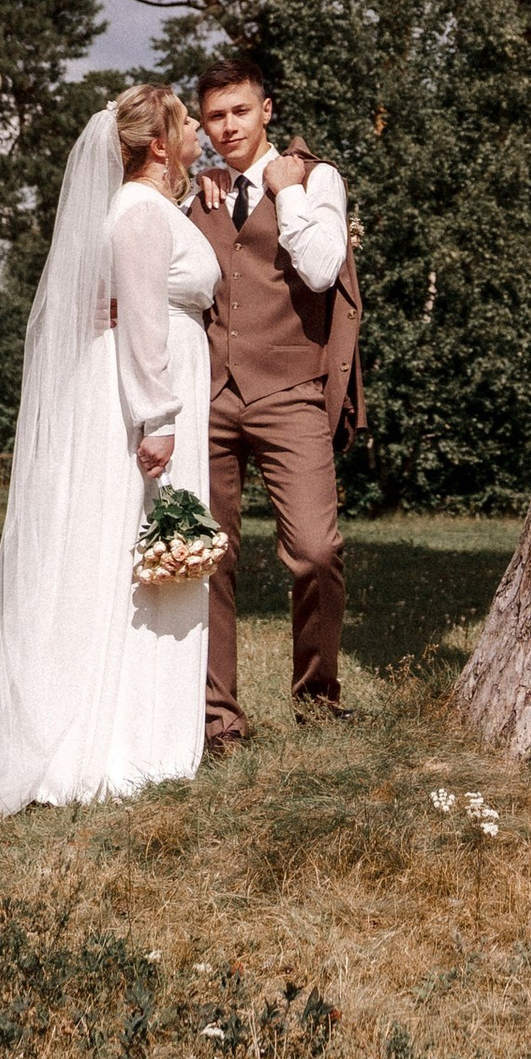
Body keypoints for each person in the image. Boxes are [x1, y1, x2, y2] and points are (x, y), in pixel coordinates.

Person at [0, 81, 220, 815]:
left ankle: (138, 724)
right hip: (147, 397)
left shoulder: (152, 209)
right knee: (135, 554)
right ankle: (119, 739)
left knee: (142, 554)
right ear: (157, 143)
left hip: (157, 386)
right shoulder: (140, 212)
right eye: (186, 123)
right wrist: (158, 419)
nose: (198, 133)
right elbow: (143, 322)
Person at [193, 60, 363, 744]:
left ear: (267, 110)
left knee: (317, 550)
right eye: (214, 117)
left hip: (290, 391)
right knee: (207, 557)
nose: (228, 126)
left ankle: (318, 697)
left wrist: (284, 192)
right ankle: (217, 721)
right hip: (205, 394)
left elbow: (322, 269)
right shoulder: (195, 191)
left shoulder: (315, 178)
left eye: (239, 111)